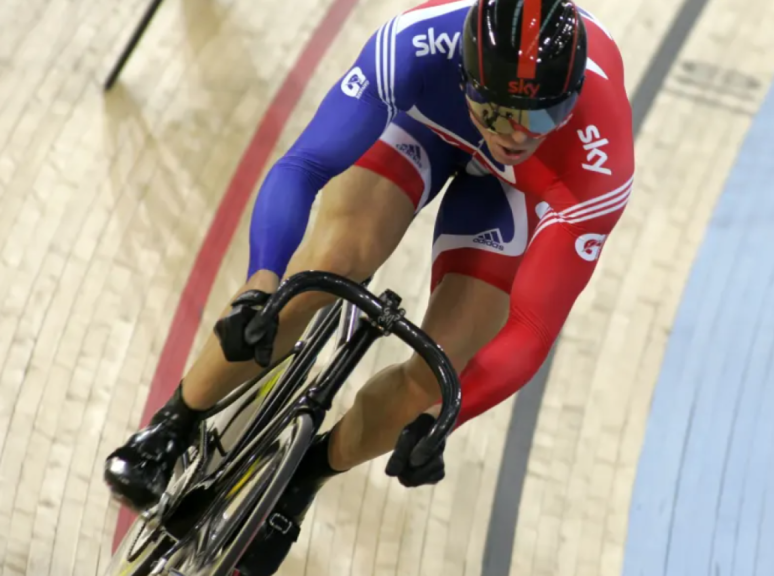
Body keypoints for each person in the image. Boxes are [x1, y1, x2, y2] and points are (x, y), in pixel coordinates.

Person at [103, 0, 634, 572]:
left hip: (517, 193)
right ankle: (175, 422)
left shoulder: (600, 158)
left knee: (436, 376)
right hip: (430, 126)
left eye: (544, 117)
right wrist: (262, 285)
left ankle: (306, 477)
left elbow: (530, 329)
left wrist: (444, 417)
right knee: (325, 267)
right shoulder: (416, 46)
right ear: (466, 73)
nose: (519, 136)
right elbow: (304, 165)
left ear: (573, 96)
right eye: (500, 113)